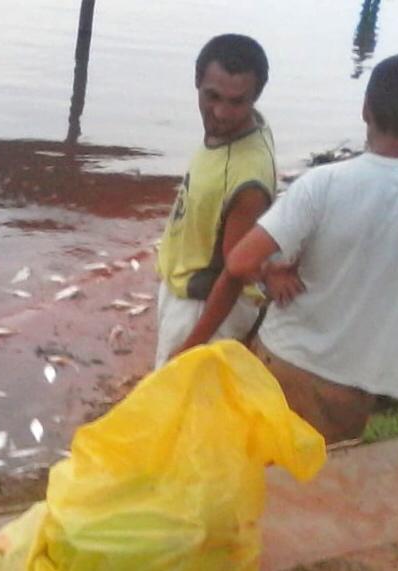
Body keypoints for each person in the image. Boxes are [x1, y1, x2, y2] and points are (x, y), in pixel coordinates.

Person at [174, 53, 398, 444]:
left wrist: (272, 269)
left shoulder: (323, 184)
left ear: (365, 109)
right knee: (315, 476)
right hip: (354, 386)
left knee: (263, 469)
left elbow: (239, 262)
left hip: (285, 360)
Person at [154, 34, 278, 367]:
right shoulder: (252, 125)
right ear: (197, 83)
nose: (221, 112)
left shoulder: (246, 180)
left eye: (237, 102)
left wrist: (192, 346)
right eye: (212, 96)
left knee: (177, 405)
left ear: (255, 97)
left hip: (202, 307)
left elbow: (235, 272)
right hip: (186, 290)